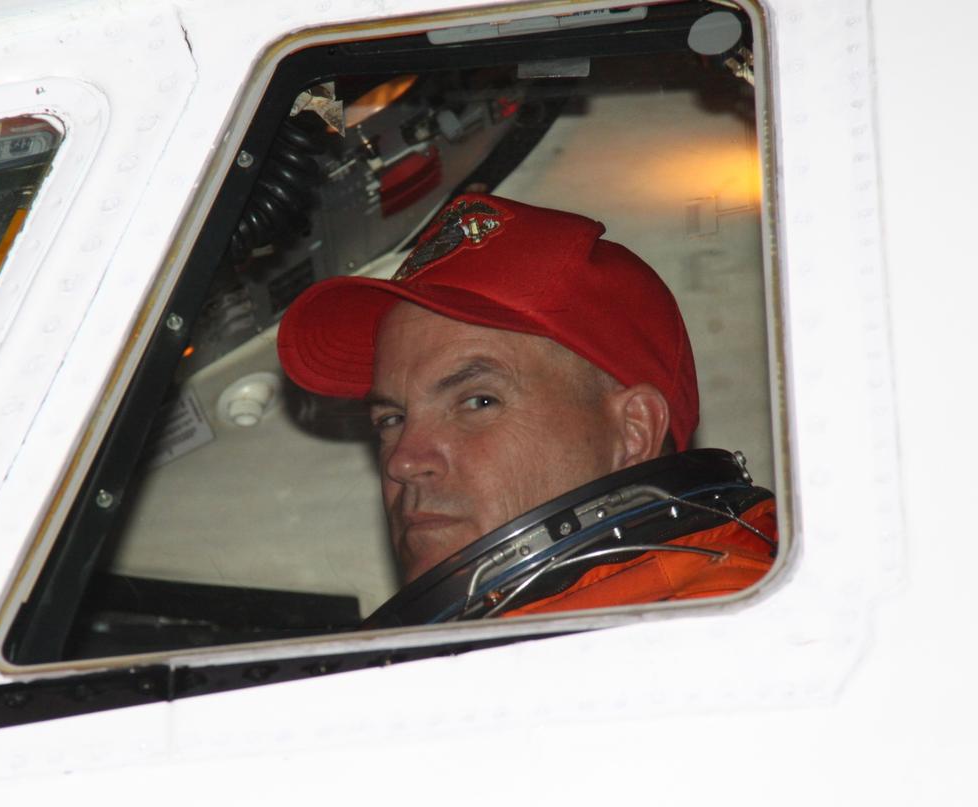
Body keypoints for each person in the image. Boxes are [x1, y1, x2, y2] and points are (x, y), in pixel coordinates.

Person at [276, 193, 776, 624]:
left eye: (478, 401)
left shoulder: (720, 633)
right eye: (391, 419)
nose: (402, 461)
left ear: (633, 431)